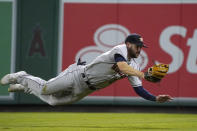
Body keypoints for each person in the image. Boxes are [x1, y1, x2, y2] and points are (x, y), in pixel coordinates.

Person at [0, 33, 173, 106]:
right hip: (77, 75)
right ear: (128, 44)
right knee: (46, 88)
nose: (140, 49)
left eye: (141, 47)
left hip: (85, 89)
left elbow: (139, 89)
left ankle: (26, 87)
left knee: (53, 102)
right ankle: (22, 76)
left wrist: (155, 98)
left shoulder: (134, 66)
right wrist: (143, 74)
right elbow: (121, 66)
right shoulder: (120, 49)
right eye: (137, 46)